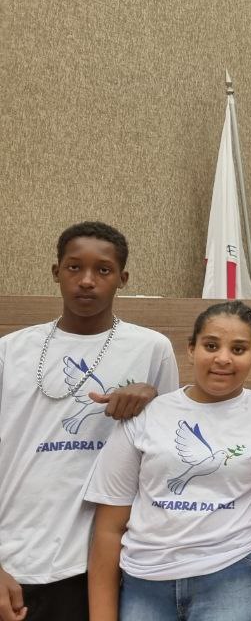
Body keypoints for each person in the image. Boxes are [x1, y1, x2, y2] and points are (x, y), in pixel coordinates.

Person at [0, 221, 179, 621]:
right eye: (73, 267)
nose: (86, 281)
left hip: (96, 565)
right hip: (12, 559)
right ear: (55, 273)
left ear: (123, 278)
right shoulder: (10, 351)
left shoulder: (152, 349)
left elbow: (163, 453)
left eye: (103, 270)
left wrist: (150, 397)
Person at [85, 301, 251, 621]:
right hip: (144, 583)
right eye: (211, 345)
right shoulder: (146, 417)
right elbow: (109, 527)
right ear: (191, 349)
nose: (223, 358)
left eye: (238, 349)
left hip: (231, 577)